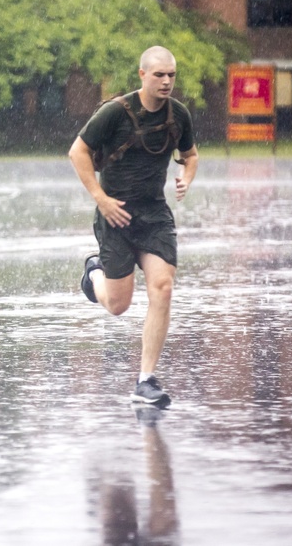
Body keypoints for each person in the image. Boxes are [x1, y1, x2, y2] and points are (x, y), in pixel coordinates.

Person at [68, 46, 198, 405]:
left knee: (163, 287)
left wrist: (187, 176)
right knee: (118, 306)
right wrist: (101, 199)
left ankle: (146, 380)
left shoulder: (179, 115)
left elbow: (191, 154)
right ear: (143, 75)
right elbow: (77, 152)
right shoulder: (115, 112)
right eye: (159, 75)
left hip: (154, 215)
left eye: (171, 75)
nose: (167, 81)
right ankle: (93, 273)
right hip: (116, 215)